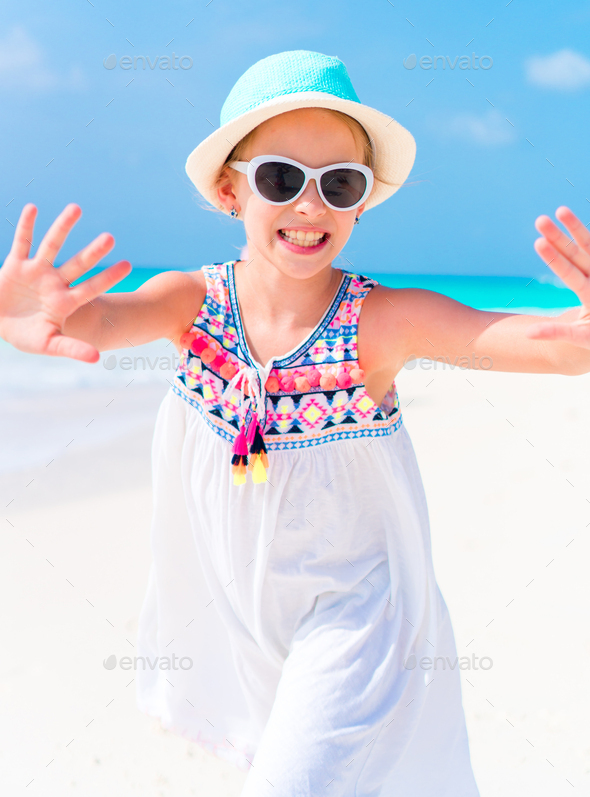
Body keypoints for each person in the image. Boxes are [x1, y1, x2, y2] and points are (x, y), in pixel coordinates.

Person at [1, 50, 589, 796]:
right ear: (229, 189)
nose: (311, 205)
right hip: (248, 610)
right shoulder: (192, 303)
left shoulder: (379, 322)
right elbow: (104, 318)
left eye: (339, 185)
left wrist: (581, 335)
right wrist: (25, 309)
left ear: (361, 202)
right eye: (282, 178)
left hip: (359, 617)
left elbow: (526, 341)